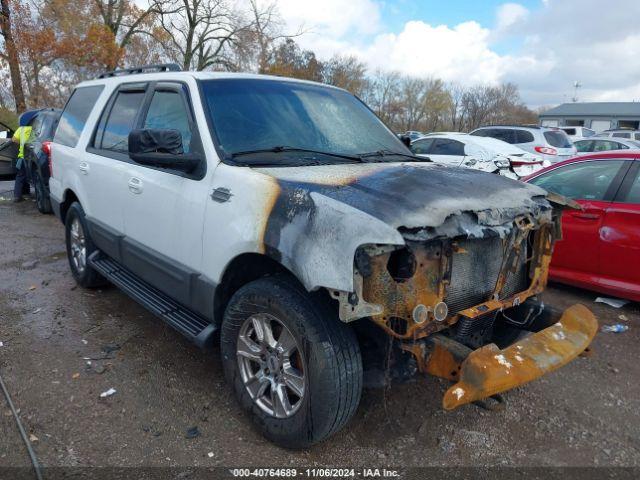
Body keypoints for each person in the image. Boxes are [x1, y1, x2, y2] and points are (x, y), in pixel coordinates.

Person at [12, 111, 35, 203]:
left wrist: (22, 142)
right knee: (30, 175)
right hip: (33, 157)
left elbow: (14, 140)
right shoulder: (35, 128)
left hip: (22, 156)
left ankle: (20, 195)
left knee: (21, 176)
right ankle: (22, 195)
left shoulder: (21, 129)